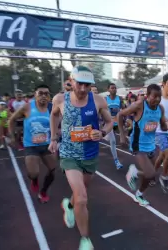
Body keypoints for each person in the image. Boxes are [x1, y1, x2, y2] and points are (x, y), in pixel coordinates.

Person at [48, 66, 113, 250]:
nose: (83, 89)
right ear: (71, 81)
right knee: (83, 198)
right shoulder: (60, 99)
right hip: (69, 155)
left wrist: (101, 132)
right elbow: (53, 116)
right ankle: (85, 239)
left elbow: (109, 122)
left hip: (90, 155)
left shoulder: (98, 100)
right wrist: (53, 137)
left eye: (87, 85)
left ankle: (69, 206)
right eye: (79, 84)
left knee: (79, 193)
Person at [118, 84, 168, 206]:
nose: (157, 100)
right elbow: (120, 115)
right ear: (147, 96)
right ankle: (139, 194)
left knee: (152, 176)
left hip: (151, 145)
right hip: (138, 145)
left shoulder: (160, 109)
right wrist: (122, 134)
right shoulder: (140, 105)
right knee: (150, 173)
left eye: (159, 97)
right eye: (154, 97)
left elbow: (162, 123)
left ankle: (135, 172)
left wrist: (165, 125)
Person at [8, 85, 56, 203]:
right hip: (31, 145)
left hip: (47, 145)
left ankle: (43, 191)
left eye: (46, 94)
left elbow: (59, 123)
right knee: (33, 173)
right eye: (41, 93)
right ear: (35, 95)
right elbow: (12, 120)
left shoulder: (53, 108)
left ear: (50, 96)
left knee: (52, 169)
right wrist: (13, 137)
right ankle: (34, 180)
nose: (44, 96)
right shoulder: (27, 107)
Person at [105, 83, 124, 169]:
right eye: (112, 88)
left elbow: (124, 109)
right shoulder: (105, 99)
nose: (114, 89)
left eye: (115, 88)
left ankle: (105, 136)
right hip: (109, 123)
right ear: (108, 90)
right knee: (113, 141)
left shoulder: (119, 99)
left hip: (118, 123)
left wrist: (125, 119)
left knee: (124, 138)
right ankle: (116, 161)